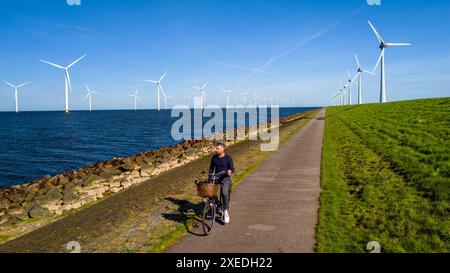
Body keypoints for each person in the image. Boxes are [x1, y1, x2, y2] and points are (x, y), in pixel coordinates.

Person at [209, 142, 235, 224]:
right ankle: (218, 206)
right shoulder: (214, 158)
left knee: (224, 193)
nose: (216, 150)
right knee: (209, 193)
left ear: (222, 149)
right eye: (215, 148)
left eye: (217, 148)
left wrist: (230, 171)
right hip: (216, 177)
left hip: (225, 178)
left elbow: (232, 169)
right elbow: (211, 169)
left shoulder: (228, 158)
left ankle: (226, 211)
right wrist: (210, 179)